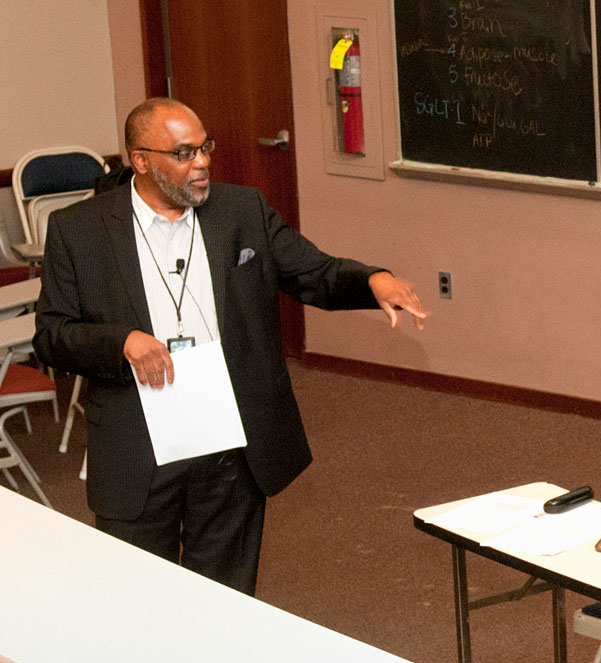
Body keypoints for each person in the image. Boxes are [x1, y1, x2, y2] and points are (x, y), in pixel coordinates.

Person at [32, 97, 427, 595]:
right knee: (136, 600)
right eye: (183, 153)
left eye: (204, 147)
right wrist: (120, 342)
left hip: (230, 437)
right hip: (139, 440)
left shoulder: (242, 211)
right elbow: (51, 335)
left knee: (225, 597)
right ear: (141, 160)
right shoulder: (80, 230)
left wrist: (373, 280)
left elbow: (314, 272)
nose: (201, 163)